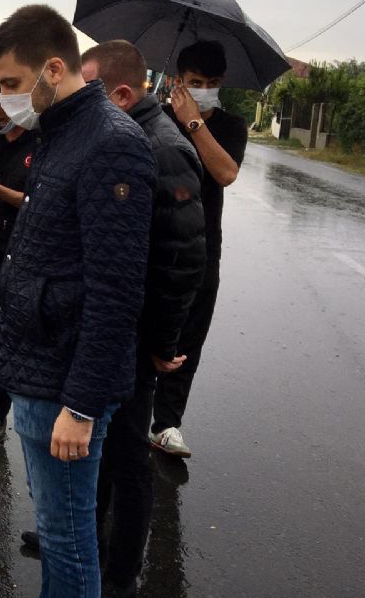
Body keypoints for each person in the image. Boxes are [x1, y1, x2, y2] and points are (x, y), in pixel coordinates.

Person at [0, 5, 156, 597]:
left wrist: (80, 407)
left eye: (11, 84)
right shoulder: (61, 132)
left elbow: (117, 291)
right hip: (39, 366)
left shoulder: (110, 143)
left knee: (69, 535)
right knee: (58, 532)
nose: (6, 98)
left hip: (63, 384)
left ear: (53, 69)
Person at [82, 40, 207, 597]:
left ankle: (121, 572)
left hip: (138, 333)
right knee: (102, 446)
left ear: (123, 95)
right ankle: (89, 539)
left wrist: (161, 341)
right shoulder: (124, 139)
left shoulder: (164, 148)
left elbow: (183, 259)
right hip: (115, 325)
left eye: (89, 95)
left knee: (129, 455)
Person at [150, 39, 248, 458]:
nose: (203, 89)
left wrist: (195, 124)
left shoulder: (230, 126)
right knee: (145, 332)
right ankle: (127, 409)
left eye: (210, 83)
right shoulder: (155, 119)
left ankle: (166, 423)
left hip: (203, 248)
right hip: (155, 243)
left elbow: (225, 173)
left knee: (189, 337)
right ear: (177, 81)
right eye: (195, 82)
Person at [0, 75, 40, 446]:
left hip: (22, 253)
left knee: (8, 336)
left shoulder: (40, 140)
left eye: (2, 120)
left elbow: (36, 202)